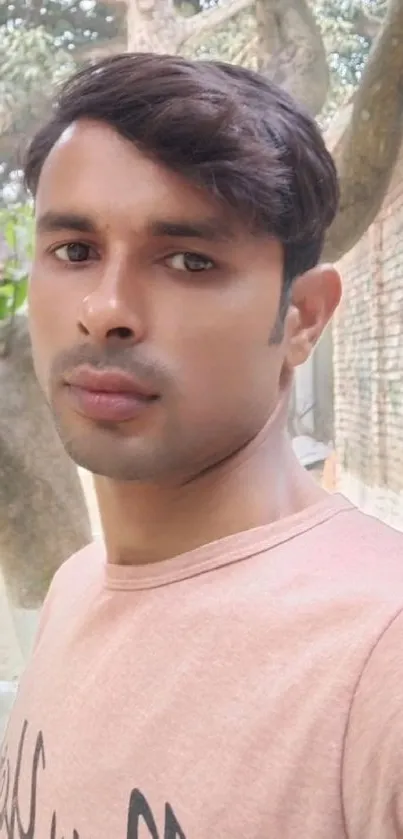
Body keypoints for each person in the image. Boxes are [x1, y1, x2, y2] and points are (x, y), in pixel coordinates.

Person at [1, 53, 403, 839]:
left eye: (189, 260)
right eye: (75, 251)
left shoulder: (377, 659)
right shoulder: (76, 589)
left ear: (302, 318)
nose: (106, 310)